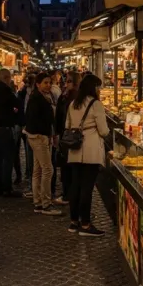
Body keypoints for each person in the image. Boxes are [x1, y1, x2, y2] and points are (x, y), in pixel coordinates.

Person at [65, 74, 110, 236]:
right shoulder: (95, 104)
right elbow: (104, 130)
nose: (99, 90)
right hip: (90, 150)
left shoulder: (73, 104)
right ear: (93, 88)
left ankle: (73, 221)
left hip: (75, 149)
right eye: (98, 87)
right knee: (87, 188)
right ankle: (85, 225)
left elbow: (67, 126)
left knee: (75, 186)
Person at [23, 72, 62, 215]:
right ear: (38, 84)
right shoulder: (37, 99)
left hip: (40, 136)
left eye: (49, 82)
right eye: (45, 83)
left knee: (38, 170)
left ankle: (38, 202)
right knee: (48, 169)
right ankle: (46, 204)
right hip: (38, 136)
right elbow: (34, 119)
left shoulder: (45, 97)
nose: (48, 85)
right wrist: (45, 134)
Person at [0, 69, 22, 197]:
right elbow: (17, 104)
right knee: (8, 159)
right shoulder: (6, 91)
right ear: (6, 78)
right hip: (5, 129)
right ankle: (7, 187)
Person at [53, 71, 81, 206]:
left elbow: (62, 117)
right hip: (68, 135)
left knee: (68, 166)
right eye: (66, 81)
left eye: (69, 81)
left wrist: (59, 133)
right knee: (68, 166)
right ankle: (70, 193)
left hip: (69, 135)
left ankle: (68, 194)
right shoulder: (66, 96)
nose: (66, 83)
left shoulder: (71, 97)